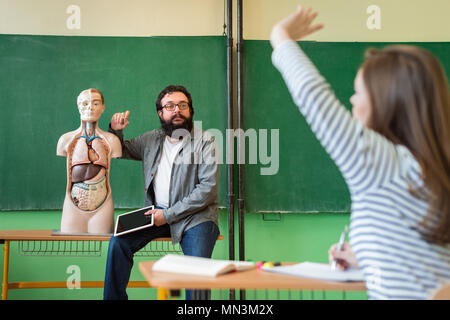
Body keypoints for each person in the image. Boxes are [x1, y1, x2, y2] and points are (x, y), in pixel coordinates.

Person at [270, 6, 450, 299]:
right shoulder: (433, 167)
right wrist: (367, 259)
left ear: (386, 102)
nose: (351, 100)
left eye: (358, 91)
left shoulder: (382, 162)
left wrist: (280, 36)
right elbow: (426, 268)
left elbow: (313, 95)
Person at [103, 85, 220, 300]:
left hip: (196, 218)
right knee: (118, 241)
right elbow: (119, 150)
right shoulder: (150, 139)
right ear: (161, 112)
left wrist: (166, 215)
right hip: (155, 213)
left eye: (182, 105)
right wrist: (115, 130)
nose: (177, 110)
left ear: (190, 110)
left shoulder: (206, 141)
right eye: (170, 106)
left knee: (197, 270)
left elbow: (207, 190)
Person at [57, 88, 122, 234]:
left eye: (95, 103)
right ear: (78, 106)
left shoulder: (112, 140)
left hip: (102, 202)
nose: (90, 108)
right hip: (73, 202)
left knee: (104, 237)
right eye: (85, 103)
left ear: (103, 108)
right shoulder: (66, 140)